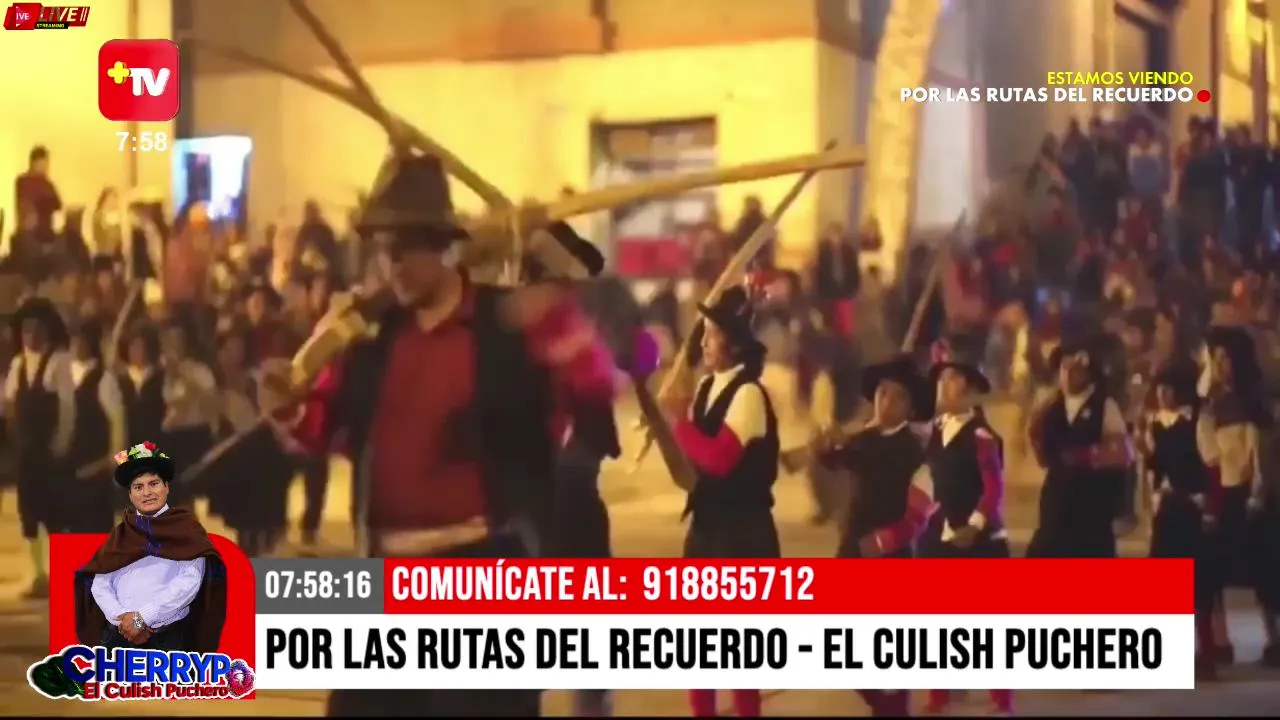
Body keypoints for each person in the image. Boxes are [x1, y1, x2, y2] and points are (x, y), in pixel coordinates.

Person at [258, 155, 617, 717]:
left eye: (404, 248)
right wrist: (288, 407)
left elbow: (597, 384)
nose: (391, 264)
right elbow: (327, 426)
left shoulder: (503, 323)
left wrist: (554, 306)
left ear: (441, 245)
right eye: (383, 250)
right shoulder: (371, 337)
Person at [665, 286, 777, 718]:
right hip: (708, 529)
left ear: (733, 343)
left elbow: (719, 459)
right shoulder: (707, 386)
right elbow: (691, 465)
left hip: (742, 534)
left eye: (712, 334)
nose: (704, 342)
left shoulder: (749, 394)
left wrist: (680, 422)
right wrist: (666, 422)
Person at [816, 354, 934, 717]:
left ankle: (893, 707)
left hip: (891, 558)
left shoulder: (916, 451)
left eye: (898, 396)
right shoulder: (864, 438)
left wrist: (884, 541)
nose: (887, 402)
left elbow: (920, 513)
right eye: (883, 393)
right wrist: (826, 444)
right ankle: (884, 706)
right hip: (853, 551)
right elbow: (834, 458)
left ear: (911, 407)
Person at [919, 340, 1013, 716]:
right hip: (940, 535)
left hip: (980, 540)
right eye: (942, 378)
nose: (944, 385)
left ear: (971, 389)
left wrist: (974, 525)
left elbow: (994, 488)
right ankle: (939, 695)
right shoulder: (936, 429)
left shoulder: (980, 435)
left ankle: (1002, 700)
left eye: (953, 378)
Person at [74, 442, 227, 652]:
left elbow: (188, 584)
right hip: (118, 636)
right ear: (130, 495)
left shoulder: (186, 529)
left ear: (166, 487)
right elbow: (100, 583)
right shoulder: (121, 533)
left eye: (153, 484)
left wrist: (140, 619)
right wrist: (124, 620)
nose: (147, 492)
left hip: (167, 640)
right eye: (138, 487)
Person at [1199, 326, 1280, 668]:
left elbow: (1265, 452)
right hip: (1225, 494)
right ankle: (1219, 641)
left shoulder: (1259, 400)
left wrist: (1259, 492)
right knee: (1212, 570)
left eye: (1224, 358)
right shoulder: (1212, 402)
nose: (1219, 365)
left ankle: (1274, 638)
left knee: (1267, 572)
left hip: (1259, 496)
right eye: (1215, 359)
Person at [1142, 361, 1220, 679]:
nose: (1163, 394)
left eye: (1169, 388)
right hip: (1168, 508)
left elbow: (1212, 467)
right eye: (1160, 388)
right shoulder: (1155, 424)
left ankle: (1206, 652)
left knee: (1198, 585)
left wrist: (1210, 509)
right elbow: (1154, 468)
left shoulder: (1197, 422)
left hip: (1193, 508)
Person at [1027, 332, 1133, 558]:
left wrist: (1086, 456)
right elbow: (1041, 451)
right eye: (1063, 368)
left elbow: (1123, 455)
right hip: (1057, 499)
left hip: (1091, 503)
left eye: (1074, 368)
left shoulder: (1104, 406)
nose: (1067, 374)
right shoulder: (1051, 406)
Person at [4, 295, 74, 598]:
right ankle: (37, 574)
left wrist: (61, 442)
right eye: (26, 330)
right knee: (28, 512)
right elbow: (9, 405)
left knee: (55, 513)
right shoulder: (18, 364)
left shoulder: (59, 362)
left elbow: (68, 408)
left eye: (36, 329)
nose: (30, 336)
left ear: (47, 331)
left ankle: (61, 573)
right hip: (25, 452)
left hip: (50, 451)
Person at [65, 319, 126, 534]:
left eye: (80, 339)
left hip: (95, 470)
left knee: (94, 534)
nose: (76, 344)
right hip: (67, 471)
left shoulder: (104, 379)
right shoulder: (65, 374)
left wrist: (115, 462)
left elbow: (118, 423)